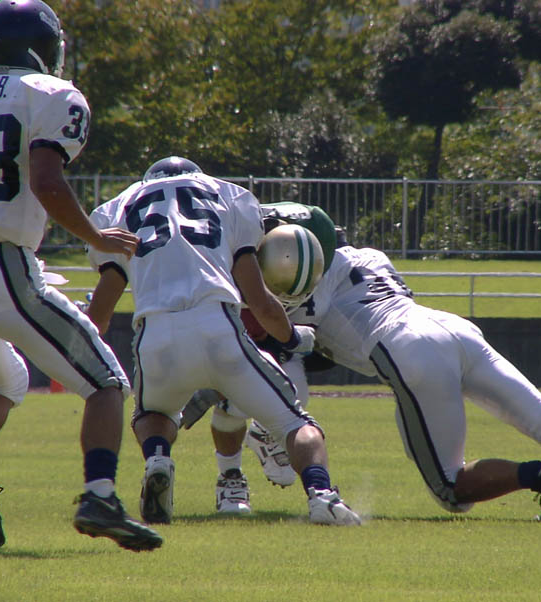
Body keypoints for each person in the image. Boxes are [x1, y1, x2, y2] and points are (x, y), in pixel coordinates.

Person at [256, 242, 541, 522]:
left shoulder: (300, 287)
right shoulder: (370, 255)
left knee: (451, 488)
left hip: (407, 347)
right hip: (452, 327)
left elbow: (288, 340)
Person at [0, 0, 162, 551]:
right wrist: (97, 237)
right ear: (44, 47)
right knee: (106, 383)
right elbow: (46, 182)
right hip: (0, 265)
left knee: (4, 381)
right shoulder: (50, 94)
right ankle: (100, 495)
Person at [84, 156, 360, 526]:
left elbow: (100, 313)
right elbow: (260, 302)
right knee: (295, 423)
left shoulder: (116, 208)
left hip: (154, 334)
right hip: (218, 326)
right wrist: (293, 338)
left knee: (152, 414)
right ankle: (322, 496)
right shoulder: (230, 196)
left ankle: (158, 458)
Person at [179, 203, 339, 514]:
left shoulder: (317, 235)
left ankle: (264, 433)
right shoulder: (228, 261)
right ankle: (230, 476)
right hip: (224, 333)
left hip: (269, 333)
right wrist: (211, 385)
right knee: (231, 407)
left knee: (293, 394)